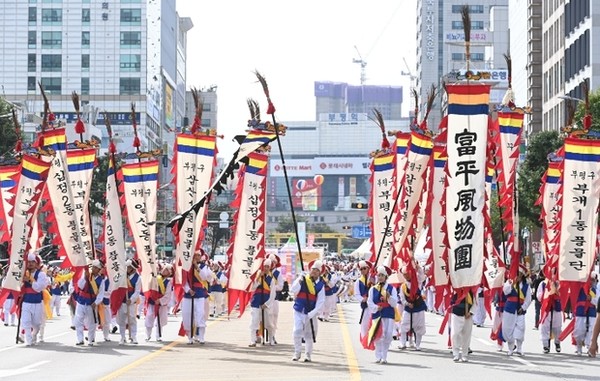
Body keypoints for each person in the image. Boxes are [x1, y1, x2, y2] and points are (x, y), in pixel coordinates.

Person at [291, 259, 326, 362]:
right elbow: (293, 289)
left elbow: (320, 301)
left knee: (308, 334)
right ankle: (297, 353)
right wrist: (299, 280)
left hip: (310, 313)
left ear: (319, 273)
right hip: (299, 310)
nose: (314, 271)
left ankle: (308, 354)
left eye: (316, 270)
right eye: (313, 269)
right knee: (296, 331)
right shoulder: (303, 279)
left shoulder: (320, 285)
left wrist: (312, 313)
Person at [366, 265, 398, 364]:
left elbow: (394, 303)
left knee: (388, 335)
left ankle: (384, 356)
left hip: (388, 313)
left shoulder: (391, 288)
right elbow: (369, 302)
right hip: (378, 314)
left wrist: (389, 297)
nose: (380, 277)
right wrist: (376, 307)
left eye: (382, 275)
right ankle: (378, 356)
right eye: (378, 275)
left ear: (386, 277)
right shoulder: (373, 289)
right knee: (379, 336)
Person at [181, 251, 212, 344]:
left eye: (199, 255)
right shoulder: (187, 268)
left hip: (199, 293)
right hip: (188, 294)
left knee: (200, 314)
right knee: (187, 315)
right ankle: (190, 337)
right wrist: (188, 290)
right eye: (196, 255)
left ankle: (201, 337)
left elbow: (204, 277)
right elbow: (183, 281)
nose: (197, 257)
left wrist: (196, 267)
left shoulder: (204, 267)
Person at [502, 265, 532, 356]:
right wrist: (512, 284)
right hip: (510, 308)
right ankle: (510, 348)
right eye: (517, 274)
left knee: (520, 328)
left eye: (520, 274)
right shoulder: (509, 282)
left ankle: (519, 348)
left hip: (520, 310)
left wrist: (523, 308)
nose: (518, 276)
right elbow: (505, 291)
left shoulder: (526, 285)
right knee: (508, 329)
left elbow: (528, 299)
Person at [20, 253, 50, 346]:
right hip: (26, 301)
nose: (30, 264)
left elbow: (38, 288)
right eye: (28, 262)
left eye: (32, 262)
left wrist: (29, 280)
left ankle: (34, 335)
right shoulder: (22, 273)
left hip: (37, 302)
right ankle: (28, 340)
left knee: (37, 324)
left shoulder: (41, 275)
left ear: (36, 263)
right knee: (26, 322)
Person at [74, 259, 105, 346]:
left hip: (91, 303)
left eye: (96, 268)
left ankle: (91, 339)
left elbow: (101, 294)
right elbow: (80, 285)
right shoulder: (86, 275)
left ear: (99, 270)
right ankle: (80, 339)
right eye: (93, 267)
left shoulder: (101, 280)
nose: (93, 269)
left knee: (92, 323)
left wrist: (96, 303)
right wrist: (85, 278)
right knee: (78, 321)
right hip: (81, 301)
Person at [248, 258, 276, 347]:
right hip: (256, 301)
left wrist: (267, 304)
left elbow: (273, 294)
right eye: (264, 266)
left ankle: (271, 338)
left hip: (266, 303)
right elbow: (252, 288)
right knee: (254, 321)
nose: (266, 268)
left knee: (268, 322)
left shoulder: (271, 279)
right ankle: (253, 340)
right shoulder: (257, 277)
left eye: (267, 267)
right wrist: (258, 277)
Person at [398, 267, 427, 351]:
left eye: (407, 274)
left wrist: (418, 267)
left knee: (419, 327)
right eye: (404, 275)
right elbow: (402, 298)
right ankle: (402, 343)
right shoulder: (403, 286)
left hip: (419, 307)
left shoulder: (417, 282)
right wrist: (407, 304)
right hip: (408, 308)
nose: (406, 276)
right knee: (404, 325)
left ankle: (418, 344)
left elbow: (421, 275)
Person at [145, 263, 173, 342]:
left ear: (169, 273)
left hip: (160, 302)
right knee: (149, 317)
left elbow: (168, 294)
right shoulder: (155, 277)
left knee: (160, 320)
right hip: (152, 301)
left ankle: (158, 336)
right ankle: (148, 335)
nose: (165, 270)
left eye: (167, 270)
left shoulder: (168, 282)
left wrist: (160, 301)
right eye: (165, 268)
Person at [573, 272, 599, 356]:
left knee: (591, 330)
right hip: (581, 312)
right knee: (579, 330)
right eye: (589, 280)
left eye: (593, 280)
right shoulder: (579, 288)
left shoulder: (595, 291)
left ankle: (589, 346)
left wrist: (591, 298)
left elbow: (597, 302)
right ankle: (578, 346)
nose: (591, 282)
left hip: (591, 312)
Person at [116, 259, 141, 345]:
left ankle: (133, 336)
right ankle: (122, 337)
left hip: (131, 303)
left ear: (133, 268)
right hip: (122, 301)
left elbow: (137, 291)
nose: (127, 268)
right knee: (121, 320)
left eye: (129, 267)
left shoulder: (138, 278)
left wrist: (132, 299)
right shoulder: (122, 276)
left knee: (132, 320)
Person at [450, 289, 477, 362]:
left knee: (466, 335)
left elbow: (475, 302)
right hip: (456, 313)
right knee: (455, 334)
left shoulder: (472, 289)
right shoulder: (455, 287)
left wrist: (470, 312)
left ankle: (464, 354)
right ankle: (456, 353)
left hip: (467, 315)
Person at [537, 277, 562, 353]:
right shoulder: (543, 284)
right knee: (544, 327)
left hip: (556, 308)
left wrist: (556, 291)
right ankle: (545, 345)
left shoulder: (559, 283)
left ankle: (557, 342)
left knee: (557, 328)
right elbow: (539, 296)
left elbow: (563, 295)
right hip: (546, 309)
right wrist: (548, 293)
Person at [354, 260, 373, 345]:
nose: (362, 271)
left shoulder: (373, 279)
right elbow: (357, 294)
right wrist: (362, 299)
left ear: (368, 269)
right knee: (365, 323)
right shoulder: (358, 281)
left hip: (374, 304)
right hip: (366, 305)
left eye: (364, 268)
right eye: (361, 269)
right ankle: (365, 339)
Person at [268, 253, 284, 344]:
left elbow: (280, 286)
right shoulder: (264, 273)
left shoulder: (278, 274)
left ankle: (272, 335)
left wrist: (272, 287)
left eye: (273, 262)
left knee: (274, 317)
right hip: (264, 299)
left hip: (274, 299)